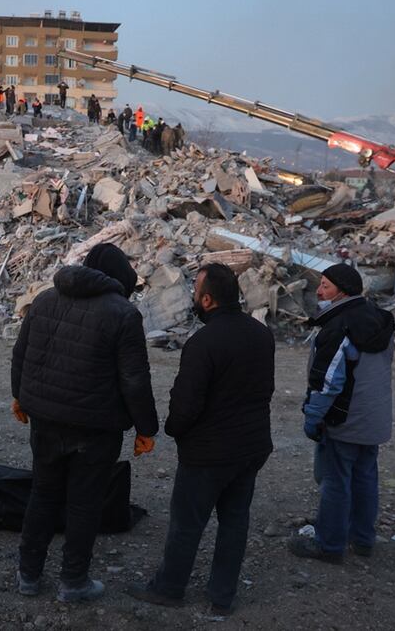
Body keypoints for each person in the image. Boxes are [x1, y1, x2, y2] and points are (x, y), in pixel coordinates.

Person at [11, 242, 158, 604]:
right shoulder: (123, 313)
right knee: (84, 503)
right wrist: (146, 427)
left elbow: (21, 353)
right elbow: (135, 380)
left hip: (44, 420)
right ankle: (73, 581)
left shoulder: (45, 299)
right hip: (95, 429)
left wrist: (20, 396)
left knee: (43, 494)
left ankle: (28, 575)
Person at [125, 264, 275, 615]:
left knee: (187, 523)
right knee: (235, 521)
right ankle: (222, 597)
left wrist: (175, 429)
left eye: (196, 293)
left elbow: (186, 402)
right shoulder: (260, 333)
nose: (193, 298)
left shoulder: (203, 342)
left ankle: (169, 588)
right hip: (252, 447)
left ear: (207, 299)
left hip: (209, 452)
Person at [288, 264, 394, 565]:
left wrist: (312, 416)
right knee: (365, 476)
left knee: (335, 480)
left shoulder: (339, 326)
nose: (319, 292)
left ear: (343, 291)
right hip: (373, 417)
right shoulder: (380, 319)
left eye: (325, 286)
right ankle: (362, 539)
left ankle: (330, 545)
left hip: (344, 419)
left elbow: (328, 380)